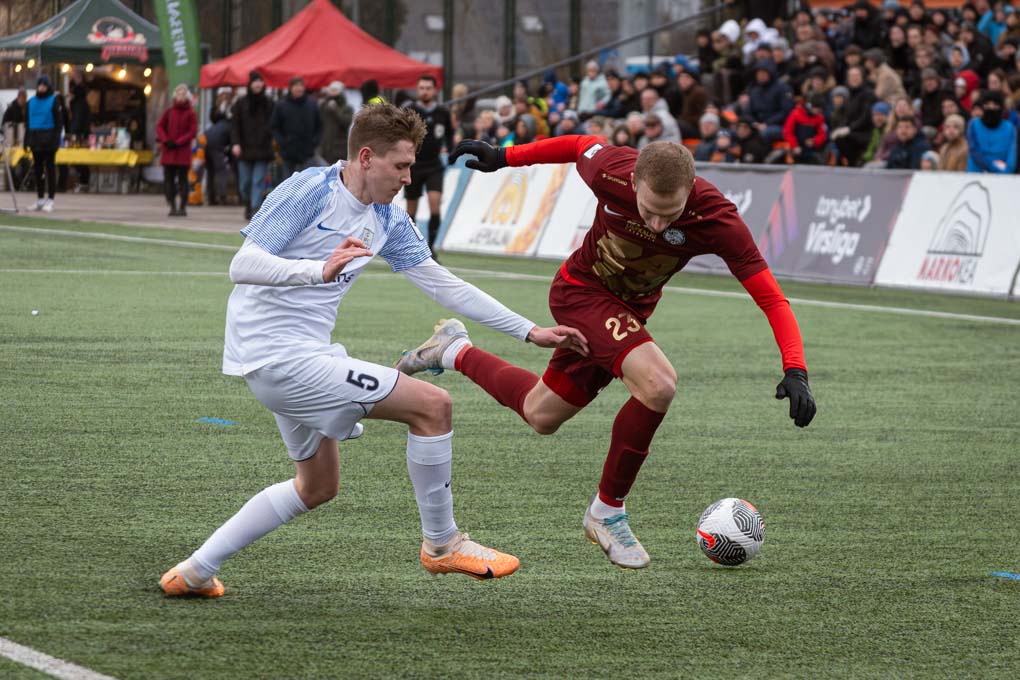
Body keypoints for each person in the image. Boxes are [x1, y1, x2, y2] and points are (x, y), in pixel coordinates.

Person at [159, 103, 587, 598]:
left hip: (301, 357)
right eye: (400, 165)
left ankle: (194, 571)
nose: (407, 178)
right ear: (366, 157)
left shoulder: (386, 217)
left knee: (316, 487)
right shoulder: (310, 190)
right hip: (278, 357)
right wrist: (317, 271)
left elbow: (442, 284)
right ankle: (442, 544)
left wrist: (529, 331)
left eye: (411, 166)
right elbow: (243, 264)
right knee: (434, 406)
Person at [397, 136, 817, 570]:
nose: (657, 225)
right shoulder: (610, 170)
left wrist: (796, 369)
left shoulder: (717, 218)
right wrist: (505, 156)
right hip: (580, 293)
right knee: (658, 384)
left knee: (541, 414)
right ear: (633, 182)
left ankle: (453, 350)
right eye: (648, 210)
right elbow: (578, 145)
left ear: (690, 190)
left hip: (626, 314)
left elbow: (772, 298)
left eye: (669, 214)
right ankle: (606, 512)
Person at [403, 74, 453, 259]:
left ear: (435, 90)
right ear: (417, 90)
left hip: (434, 166)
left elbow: (450, 134)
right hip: (413, 166)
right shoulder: (409, 111)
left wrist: (451, 152)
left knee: (435, 206)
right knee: (411, 209)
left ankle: (430, 250)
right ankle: (411, 248)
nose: (424, 91)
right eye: (421, 88)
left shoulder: (442, 112)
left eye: (428, 88)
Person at [231, 71, 275, 220]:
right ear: (250, 84)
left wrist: (272, 138)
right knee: (245, 183)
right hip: (244, 149)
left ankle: (255, 208)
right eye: (255, 81)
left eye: (259, 81)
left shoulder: (269, 103)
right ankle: (248, 203)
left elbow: (274, 124)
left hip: (263, 149)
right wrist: (235, 143)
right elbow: (235, 125)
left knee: (258, 181)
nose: (257, 84)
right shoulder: (241, 103)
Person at [156, 84, 198, 217]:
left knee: (183, 180)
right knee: (169, 180)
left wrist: (178, 142)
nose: (180, 96)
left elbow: (192, 131)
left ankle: (182, 206)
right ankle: (172, 205)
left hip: (182, 152)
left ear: (187, 97)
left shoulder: (191, 113)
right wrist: (165, 140)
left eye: (183, 94)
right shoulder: (169, 112)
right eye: (178, 94)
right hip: (169, 151)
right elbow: (160, 126)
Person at [25, 76, 65, 213]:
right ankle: (40, 199)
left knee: (50, 169)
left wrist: (57, 140)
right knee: (38, 170)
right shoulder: (31, 102)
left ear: (48, 86)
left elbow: (59, 123)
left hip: (49, 140)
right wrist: (26, 140)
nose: (41, 87)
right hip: (35, 139)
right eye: (40, 85)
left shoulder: (54, 101)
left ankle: (51, 199)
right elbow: (27, 123)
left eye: (44, 85)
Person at [271, 76, 322, 178]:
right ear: (290, 88)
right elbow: (274, 126)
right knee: (288, 182)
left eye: (301, 85)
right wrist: (282, 142)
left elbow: (319, 126)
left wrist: (314, 142)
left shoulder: (312, 104)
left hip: (307, 152)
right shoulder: (281, 105)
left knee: (306, 181)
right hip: (288, 152)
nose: (299, 88)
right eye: (296, 85)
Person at [966, 90, 1017, 172]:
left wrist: (1007, 169)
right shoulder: (973, 124)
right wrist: (991, 165)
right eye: (987, 104)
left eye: (995, 105)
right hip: (976, 172)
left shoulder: (1009, 127)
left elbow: (1011, 153)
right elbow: (974, 150)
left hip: (1002, 174)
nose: (991, 108)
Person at [66, 71, 91, 191]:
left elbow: (77, 120)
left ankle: (83, 181)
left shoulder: (78, 104)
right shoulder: (83, 103)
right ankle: (83, 180)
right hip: (82, 134)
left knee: (77, 158)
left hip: (78, 135)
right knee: (80, 158)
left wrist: (72, 133)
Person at [319, 81, 354, 165]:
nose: (332, 92)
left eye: (335, 90)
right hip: (325, 147)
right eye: (331, 90)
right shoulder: (324, 106)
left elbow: (346, 122)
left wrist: (336, 111)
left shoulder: (347, 108)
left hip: (339, 148)